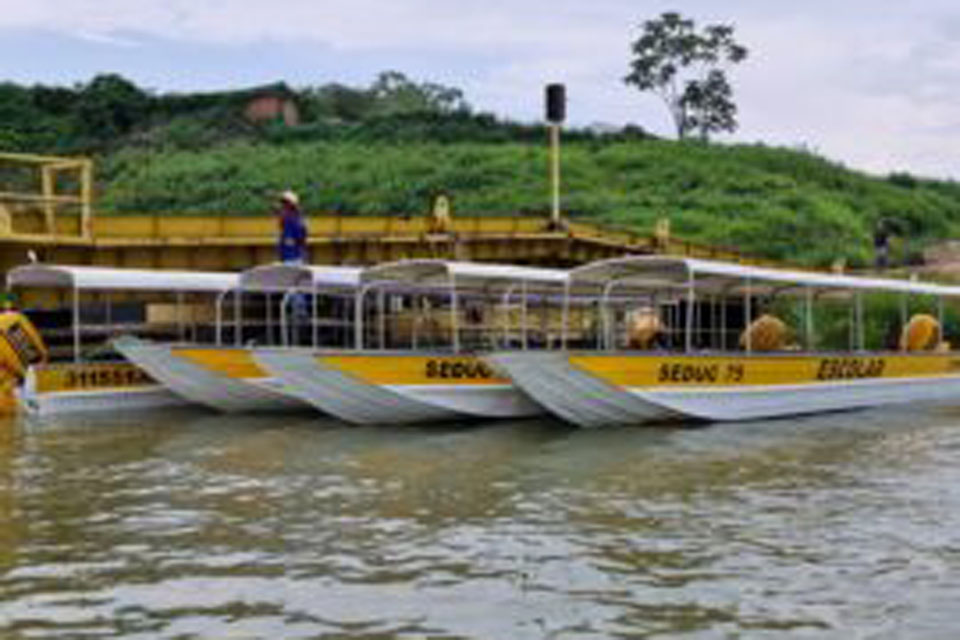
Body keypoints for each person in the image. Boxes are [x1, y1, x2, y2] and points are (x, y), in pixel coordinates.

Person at [277, 190, 307, 265]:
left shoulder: (296, 217)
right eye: (283, 203)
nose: (284, 205)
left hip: (294, 255)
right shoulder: (287, 216)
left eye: (285, 203)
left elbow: (301, 235)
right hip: (287, 254)